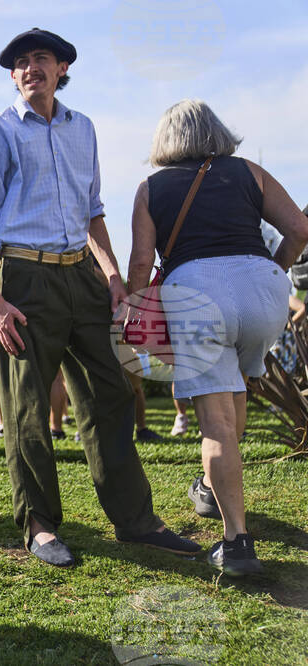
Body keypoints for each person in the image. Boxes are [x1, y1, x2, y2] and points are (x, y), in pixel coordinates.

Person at [0, 28, 199, 567]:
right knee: (26, 407)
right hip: (23, 278)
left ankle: (136, 521)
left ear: (62, 67)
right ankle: (39, 524)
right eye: (19, 64)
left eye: (39, 59)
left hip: (83, 278)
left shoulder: (83, 128)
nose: (29, 70)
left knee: (110, 396)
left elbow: (94, 212)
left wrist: (113, 275)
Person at [126, 99, 308, 575]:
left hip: (197, 295)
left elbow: (143, 263)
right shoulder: (250, 171)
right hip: (265, 292)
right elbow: (299, 228)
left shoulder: (151, 188)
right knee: (235, 391)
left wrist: (132, 305)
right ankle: (210, 488)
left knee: (216, 425)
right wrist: (274, 272)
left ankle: (237, 543)